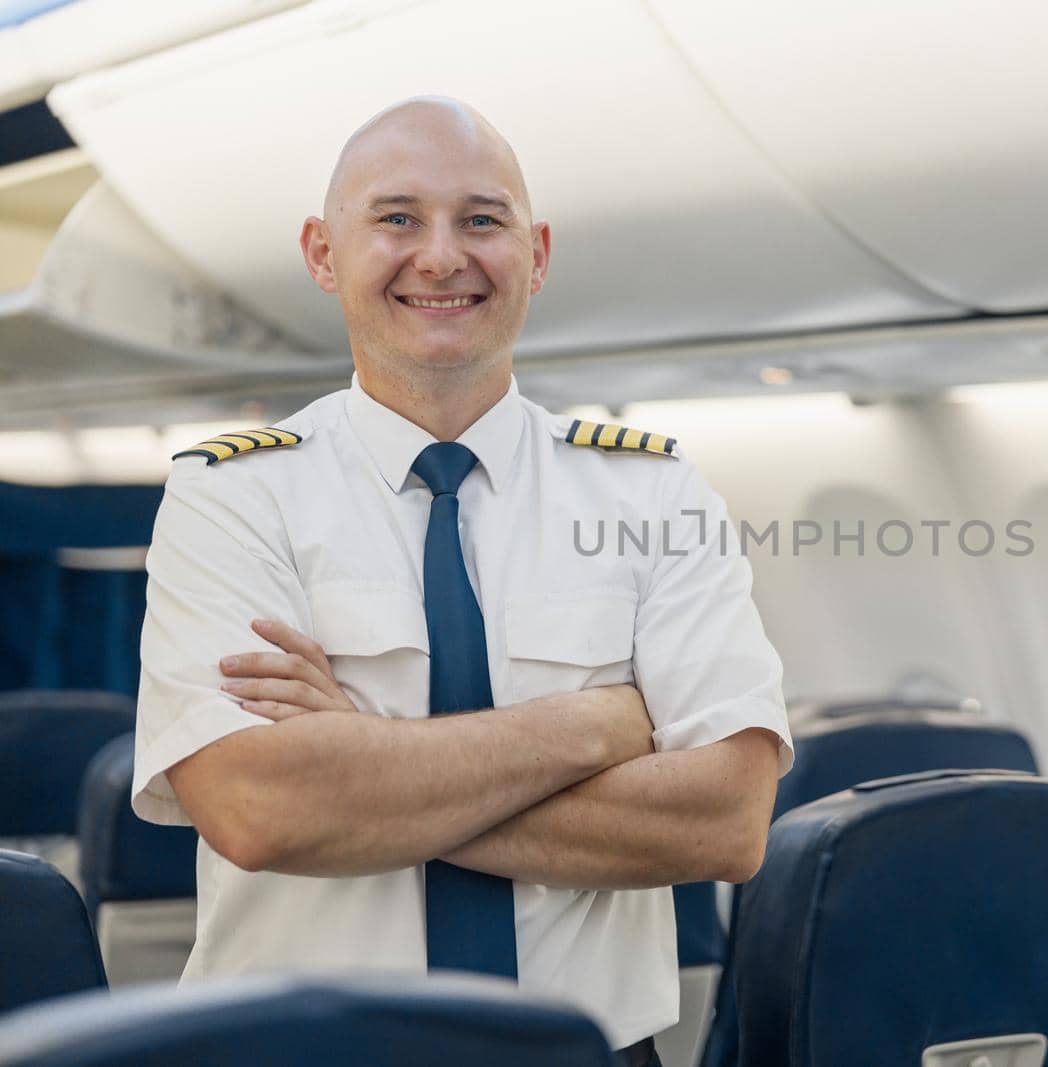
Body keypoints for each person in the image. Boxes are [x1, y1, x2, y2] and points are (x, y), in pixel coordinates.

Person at [132, 97, 791, 1066]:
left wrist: (361, 762)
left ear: (538, 253)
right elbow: (261, 808)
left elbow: (726, 818)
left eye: (481, 219)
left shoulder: (653, 487)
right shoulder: (230, 493)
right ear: (322, 252)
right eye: (396, 218)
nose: (441, 256)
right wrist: (594, 725)